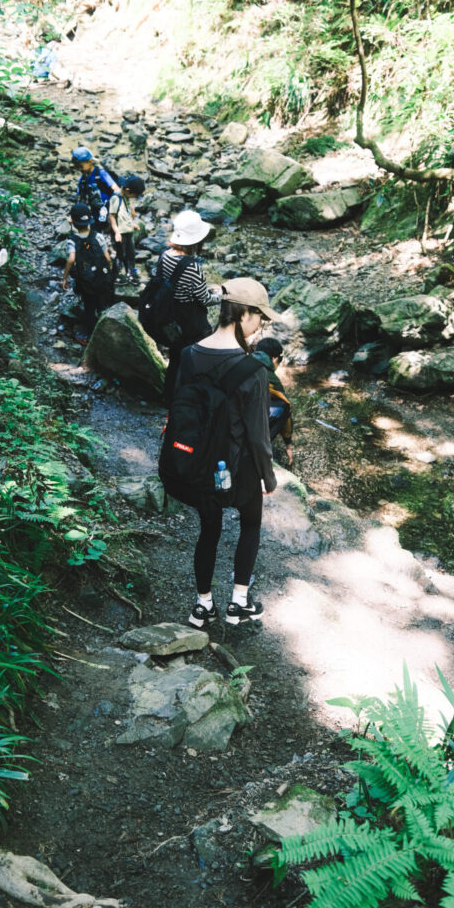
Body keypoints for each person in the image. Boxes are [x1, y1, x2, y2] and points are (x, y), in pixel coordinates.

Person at [176, 277, 282, 630]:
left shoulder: (188, 355)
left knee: (209, 529)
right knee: (250, 523)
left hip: (200, 465)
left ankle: (202, 606)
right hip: (238, 470)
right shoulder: (253, 370)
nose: (260, 326)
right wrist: (268, 477)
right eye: (260, 318)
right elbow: (258, 435)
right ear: (244, 314)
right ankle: (239, 602)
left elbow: (180, 411)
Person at [159, 209, 222, 404]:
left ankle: (168, 398)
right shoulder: (193, 267)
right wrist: (223, 295)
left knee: (175, 358)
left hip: (169, 317)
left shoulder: (165, 256)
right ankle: (190, 400)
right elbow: (205, 300)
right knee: (195, 361)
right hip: (189, 321)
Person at [61, 203, 114, 346]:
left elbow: (71, 259)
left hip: (86, 281)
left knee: (89, 306)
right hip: (101, 278)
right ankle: (108, 330)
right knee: (101, 304)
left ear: (72, 221)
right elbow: (107, 258)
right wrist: (108, 272)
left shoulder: (72, 240)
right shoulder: (98, 236)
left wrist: (65, 277)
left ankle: (90, 336)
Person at [252, 337, 294, 466]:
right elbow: (287, 405)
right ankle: (261, 450)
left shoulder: (243, 361)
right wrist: (288, 443)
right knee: (283, 407)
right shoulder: (271, 378)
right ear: (275, 359)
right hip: (247, 428)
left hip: (226, 421)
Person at [71, 147, 121, 232]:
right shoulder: (82, 180)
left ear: (90, 162)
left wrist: (115, 209)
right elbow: (82, 199)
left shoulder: (101, 174)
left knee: (108, 230)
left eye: (81, 166)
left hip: (108, 208)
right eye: (77, 167)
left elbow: (116, 189)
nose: (79, 169)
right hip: (94, 210)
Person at [109, 175, 145, 285]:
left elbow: (126, 214)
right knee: (119, 255)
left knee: (130, 253)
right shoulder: (116, 198)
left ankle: (130, 273)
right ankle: (117, 275)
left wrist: (133, 224)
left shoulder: (126, 197)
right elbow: (112, 216)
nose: (134, 197)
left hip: (128, 231)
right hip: (120, 233)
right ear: (128, 191)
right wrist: (116, 232)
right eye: (135, 195)